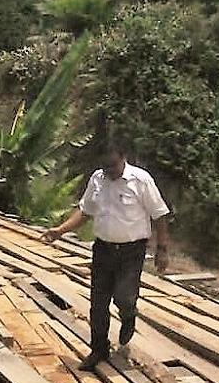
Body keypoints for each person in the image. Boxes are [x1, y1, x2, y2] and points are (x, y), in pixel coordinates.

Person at [41, 138, 171, 370]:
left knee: (123, 296)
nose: (109, 171)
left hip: (132, 251)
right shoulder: (97, 179)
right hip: (103, 249)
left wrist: (162, 250)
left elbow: (160, 215)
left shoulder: (140, 181)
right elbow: (85, 211)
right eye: (105, 166)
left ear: (123, 158)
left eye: (112, 166)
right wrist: (60, 230)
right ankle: (98, 350)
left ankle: (128, 314)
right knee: (98, 304)